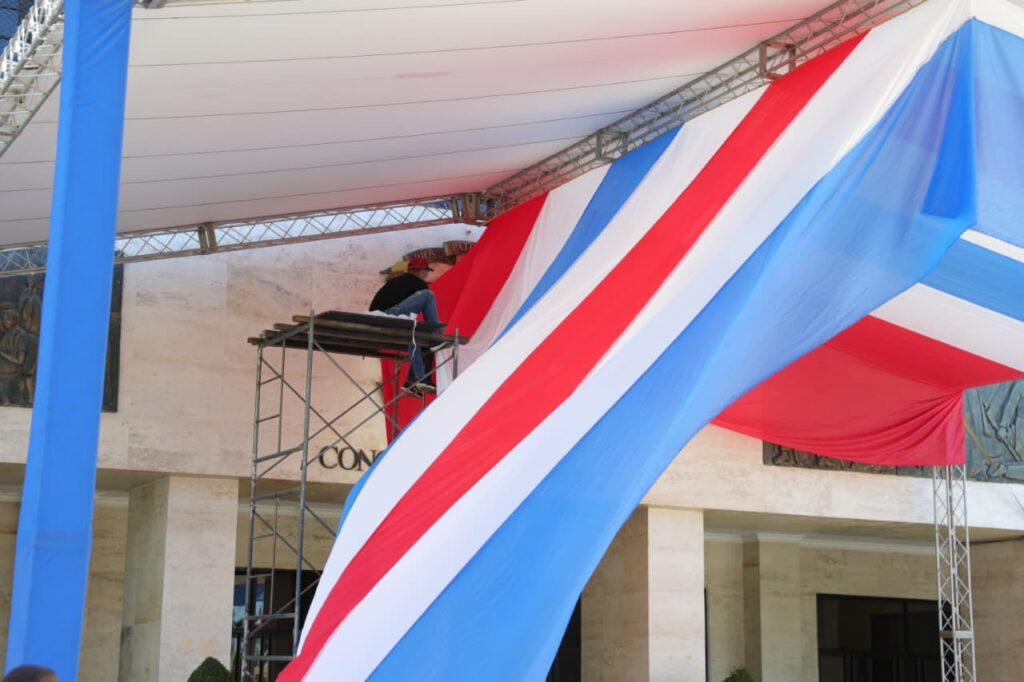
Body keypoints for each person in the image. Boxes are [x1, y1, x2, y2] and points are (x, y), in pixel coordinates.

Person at [369, 257, 444, 395]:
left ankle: (415, 380)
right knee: (428, 295)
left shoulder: (400, 282)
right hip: (386, 315)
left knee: (416, 334)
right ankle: (436, 336)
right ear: (421, 271)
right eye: (426, 272)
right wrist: (435, 331)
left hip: (378, 318)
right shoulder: (417, 282)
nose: (426, 275)